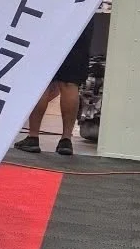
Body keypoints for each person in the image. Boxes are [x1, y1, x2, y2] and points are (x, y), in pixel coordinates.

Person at [16, 23, 94, 155]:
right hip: (81, 21)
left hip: (52, 22)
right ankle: (66, 140)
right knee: (70, 83)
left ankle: (33, 136)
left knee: (42, 81)